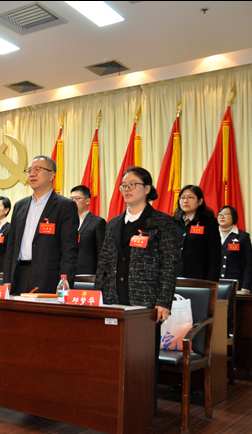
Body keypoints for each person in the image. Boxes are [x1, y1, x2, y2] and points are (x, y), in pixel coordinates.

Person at [94, 166, 180, 413]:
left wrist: (164, 301)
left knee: (142, 356)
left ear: (147, 189)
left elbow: (170, 264)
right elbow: (104, 261)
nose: (127, 189)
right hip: (113, 297)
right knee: (114, 354)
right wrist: (98, 295)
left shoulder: (162, 222)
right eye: (124, 185)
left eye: (133, 184)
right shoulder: (113, 223)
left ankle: (143, 407)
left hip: (145, 300)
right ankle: (115, 405)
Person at [3, 157, 79, 295]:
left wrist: (64, 282)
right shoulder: (20, 206)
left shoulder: (65, 206)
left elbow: (69, 249)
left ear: (51, 175)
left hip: (49, 278)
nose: (32, 174)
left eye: (37, 169)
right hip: (19, 275)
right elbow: (11, 247)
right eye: (30, 170)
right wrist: (7, 279)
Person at [173, 185, 220, 281]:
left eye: (190, 197)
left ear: (200, 201)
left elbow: (215, 255)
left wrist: (211, 282)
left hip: (198, 278)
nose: (185, 201)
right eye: (182, 198)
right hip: (174, 277)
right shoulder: (173, 222)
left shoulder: (209, 222)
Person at [70, 185, 106, 275]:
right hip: (68, 273)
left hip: (87, 274)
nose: (73, 202)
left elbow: (102, 253)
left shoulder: (97, 222)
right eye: (71, 199)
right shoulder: (66, 222)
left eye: (77, 198)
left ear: (87, 201)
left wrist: (100, 275)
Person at [217, 206, 252, 292]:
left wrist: (246, 288)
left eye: (226, 214)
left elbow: (248, 263)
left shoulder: (243, 236)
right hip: (214, 282)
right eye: (220, 214)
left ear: (234, 217)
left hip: (235, 283)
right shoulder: (212, 234)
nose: (222, 217)